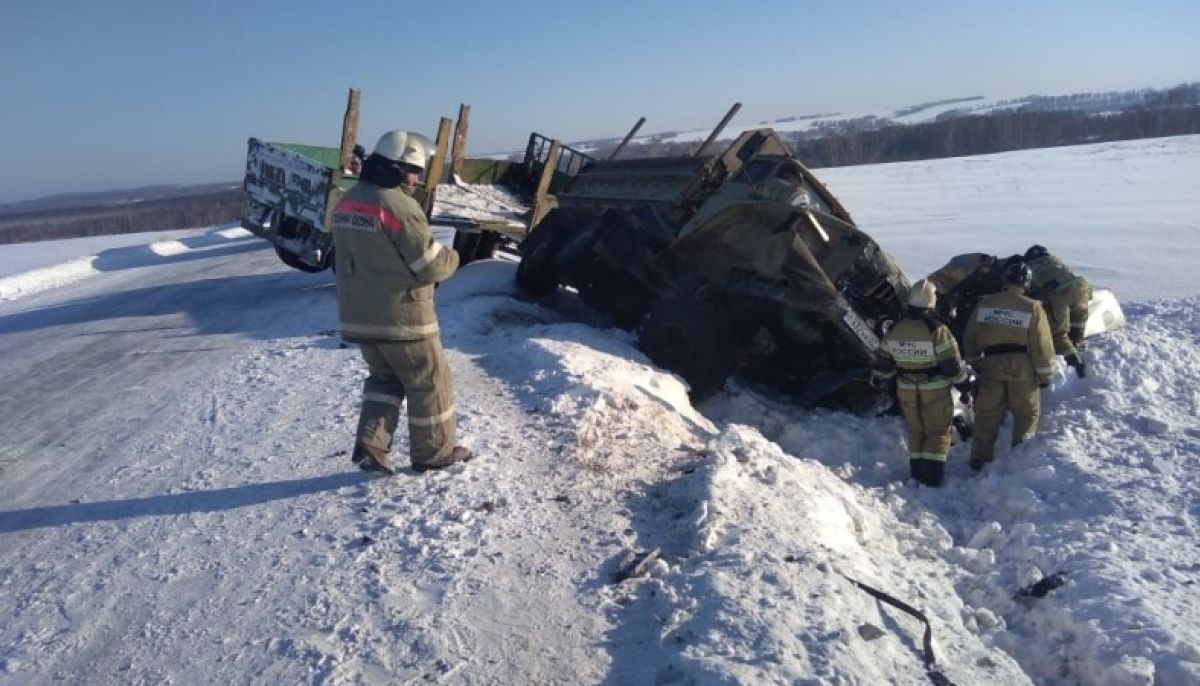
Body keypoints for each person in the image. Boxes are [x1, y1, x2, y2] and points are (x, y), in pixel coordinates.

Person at [330, 130, 472, 474]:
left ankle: (371, 445)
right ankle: (434, 452)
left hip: (359, 314)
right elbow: (429, 265)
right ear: (395, 167)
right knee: (429, 381)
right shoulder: (399, 206)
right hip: (402, 317)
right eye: (413, 171)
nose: (416, 179)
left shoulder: (347, 200)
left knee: (384, 379)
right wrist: (454, 257)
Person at [874, 279, 971, 487]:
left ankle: (917, 473)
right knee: (937, 431)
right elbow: (952, 366)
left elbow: (883, 360)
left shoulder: (896, 329)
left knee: (916, 429)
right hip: (934, 389)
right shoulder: (937, 330)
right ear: (931, 301)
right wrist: (964, 386)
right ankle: (933, 476)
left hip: (906, 389)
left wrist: (892, 381)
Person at [962, 261, 1056, 471]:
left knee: (986, 416)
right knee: (1026, 414)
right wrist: (1045, 375)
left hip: (991, 368)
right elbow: (1041, 344)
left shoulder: (984, 304)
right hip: (1022, 370)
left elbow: (970, 336)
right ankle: (1019, 460)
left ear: (1005, 280)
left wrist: (975, 361)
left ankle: (979, 459)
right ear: (1027, 283)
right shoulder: (1033, 307)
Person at [1024, 245, 1092, 377]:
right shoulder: (1054, 259)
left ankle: (1073, 362)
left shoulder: (1029, 267)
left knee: (1059, 332)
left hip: (1059, 294)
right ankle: (1077, 342)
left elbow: (1029, 292)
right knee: (1078, 322)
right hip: (1081, 287)